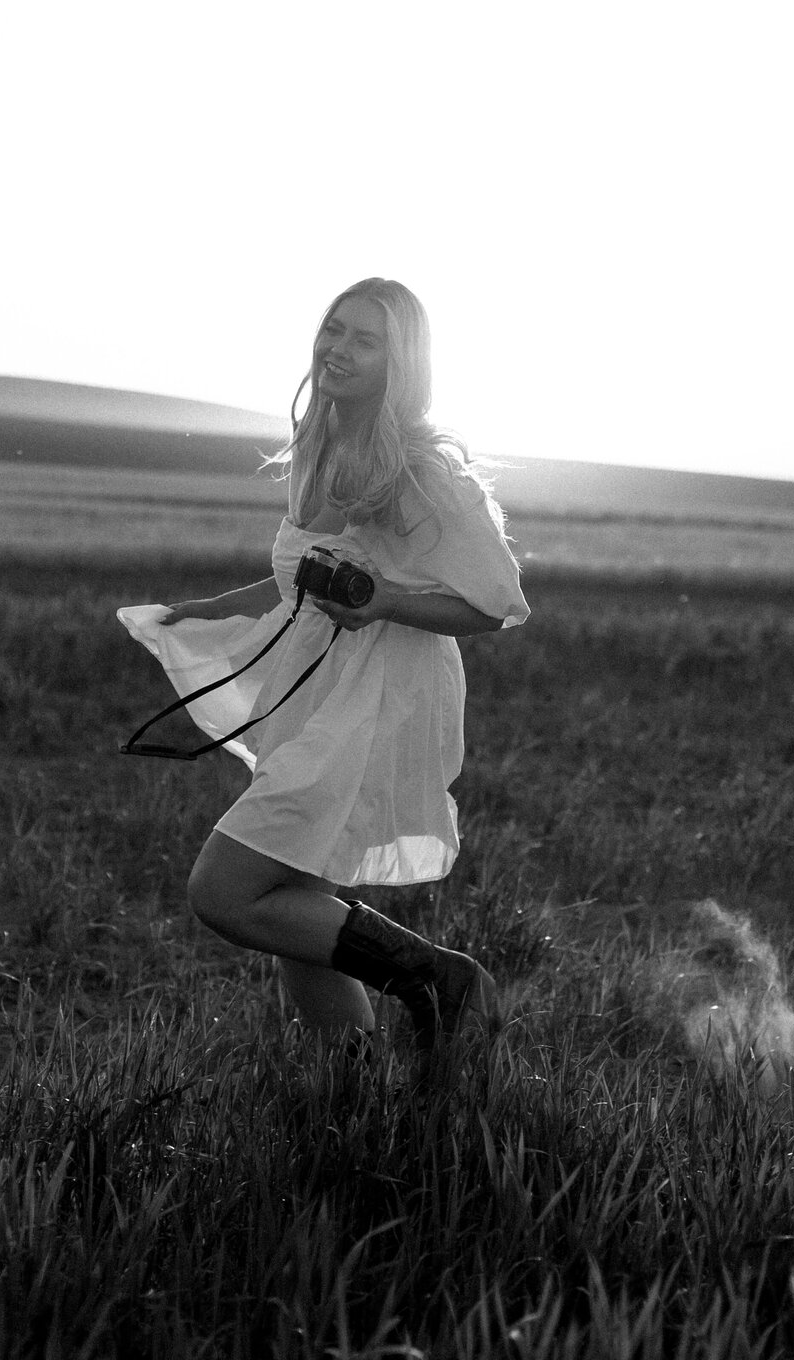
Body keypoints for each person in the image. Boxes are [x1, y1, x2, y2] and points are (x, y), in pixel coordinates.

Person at [118, 278, 529, 1049]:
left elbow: (492, 605)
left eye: (364, 340)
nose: (337, 348)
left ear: (401, 361)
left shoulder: (423, 470)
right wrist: (214, 608)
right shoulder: (325, 444)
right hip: (321, 696)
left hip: (377, 702)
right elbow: (301, 571)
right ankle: (349, 1101)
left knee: (228, 891)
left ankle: (446, 981)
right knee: (296, 905)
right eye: (334, 330)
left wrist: (382, 603)